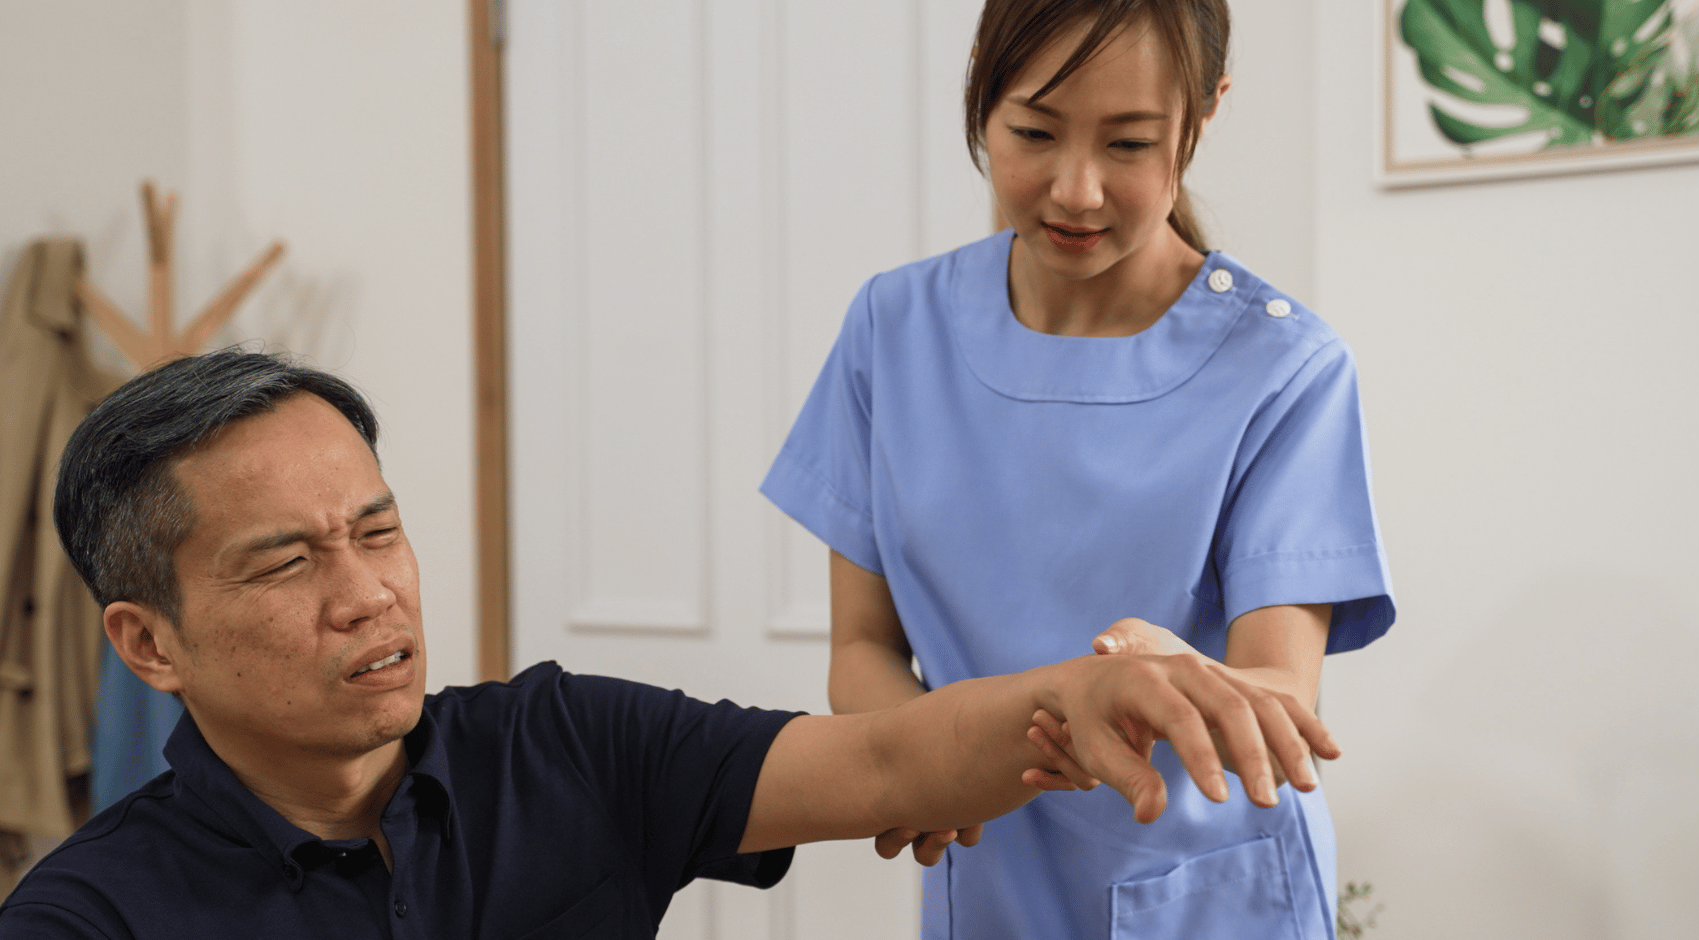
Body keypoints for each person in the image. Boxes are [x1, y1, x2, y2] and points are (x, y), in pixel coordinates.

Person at [0, 349, 1340, 938]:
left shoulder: (559, 747)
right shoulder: (91, 919)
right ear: (148, 642)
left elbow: (881, 765)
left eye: (378, 531)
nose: (368, 596)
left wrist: (1085, 695)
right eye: (288, 563)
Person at [760, 1, 1396, 937]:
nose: (1077, 191)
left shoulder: (1284, 371)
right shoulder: (893, 333)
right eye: (1033, 131)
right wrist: (937, 766)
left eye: (1130, 144)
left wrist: (1175, 678)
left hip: (1204, 894)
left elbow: (1279, 693)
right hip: (984, 877)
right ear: (982, 86)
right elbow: (862, 650)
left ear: (1204, 114)